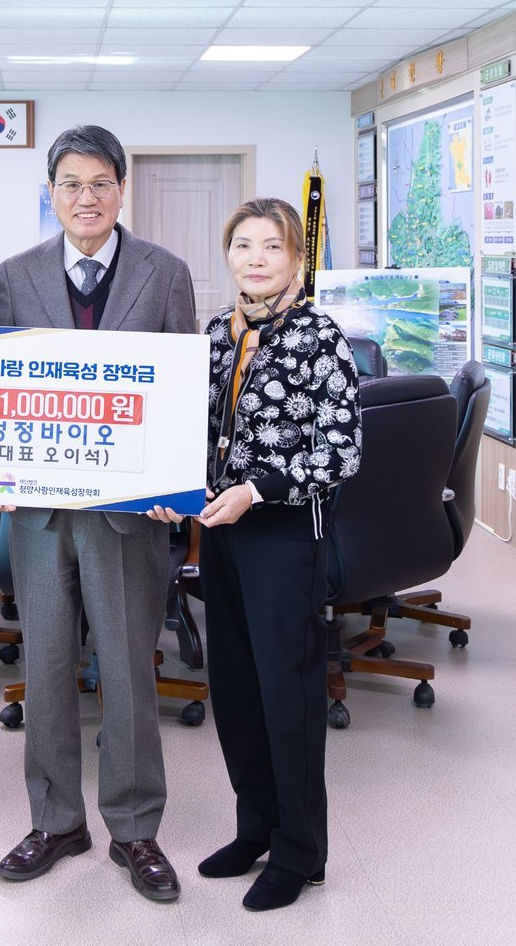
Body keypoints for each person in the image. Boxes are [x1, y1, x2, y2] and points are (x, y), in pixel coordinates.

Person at [0, 124, 196, 902]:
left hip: (129, 516)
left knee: (129, 672)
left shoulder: (164, 272)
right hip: (40, 514)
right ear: (52, 193)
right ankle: (55, 819)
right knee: (45, 671)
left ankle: (135, 827)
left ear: (121, 189)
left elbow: (181, 392)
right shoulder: (16, 274)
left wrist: (174, 483)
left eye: (100, 182)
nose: (86, 197)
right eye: (71, 183)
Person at [149, 197, 361, 911]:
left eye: (272, 246)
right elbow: (189, 429)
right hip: (222, 531)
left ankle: (301, 850)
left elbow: (341, 452)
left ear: (296, 257)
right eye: (243, 245)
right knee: (236, 688)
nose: (256, 258)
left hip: (282, 533)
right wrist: (169, 488)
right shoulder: (217, 332)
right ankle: (256, 828)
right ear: (228, 255)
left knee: (286, 694)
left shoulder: (320, 336)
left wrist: (257, 488)